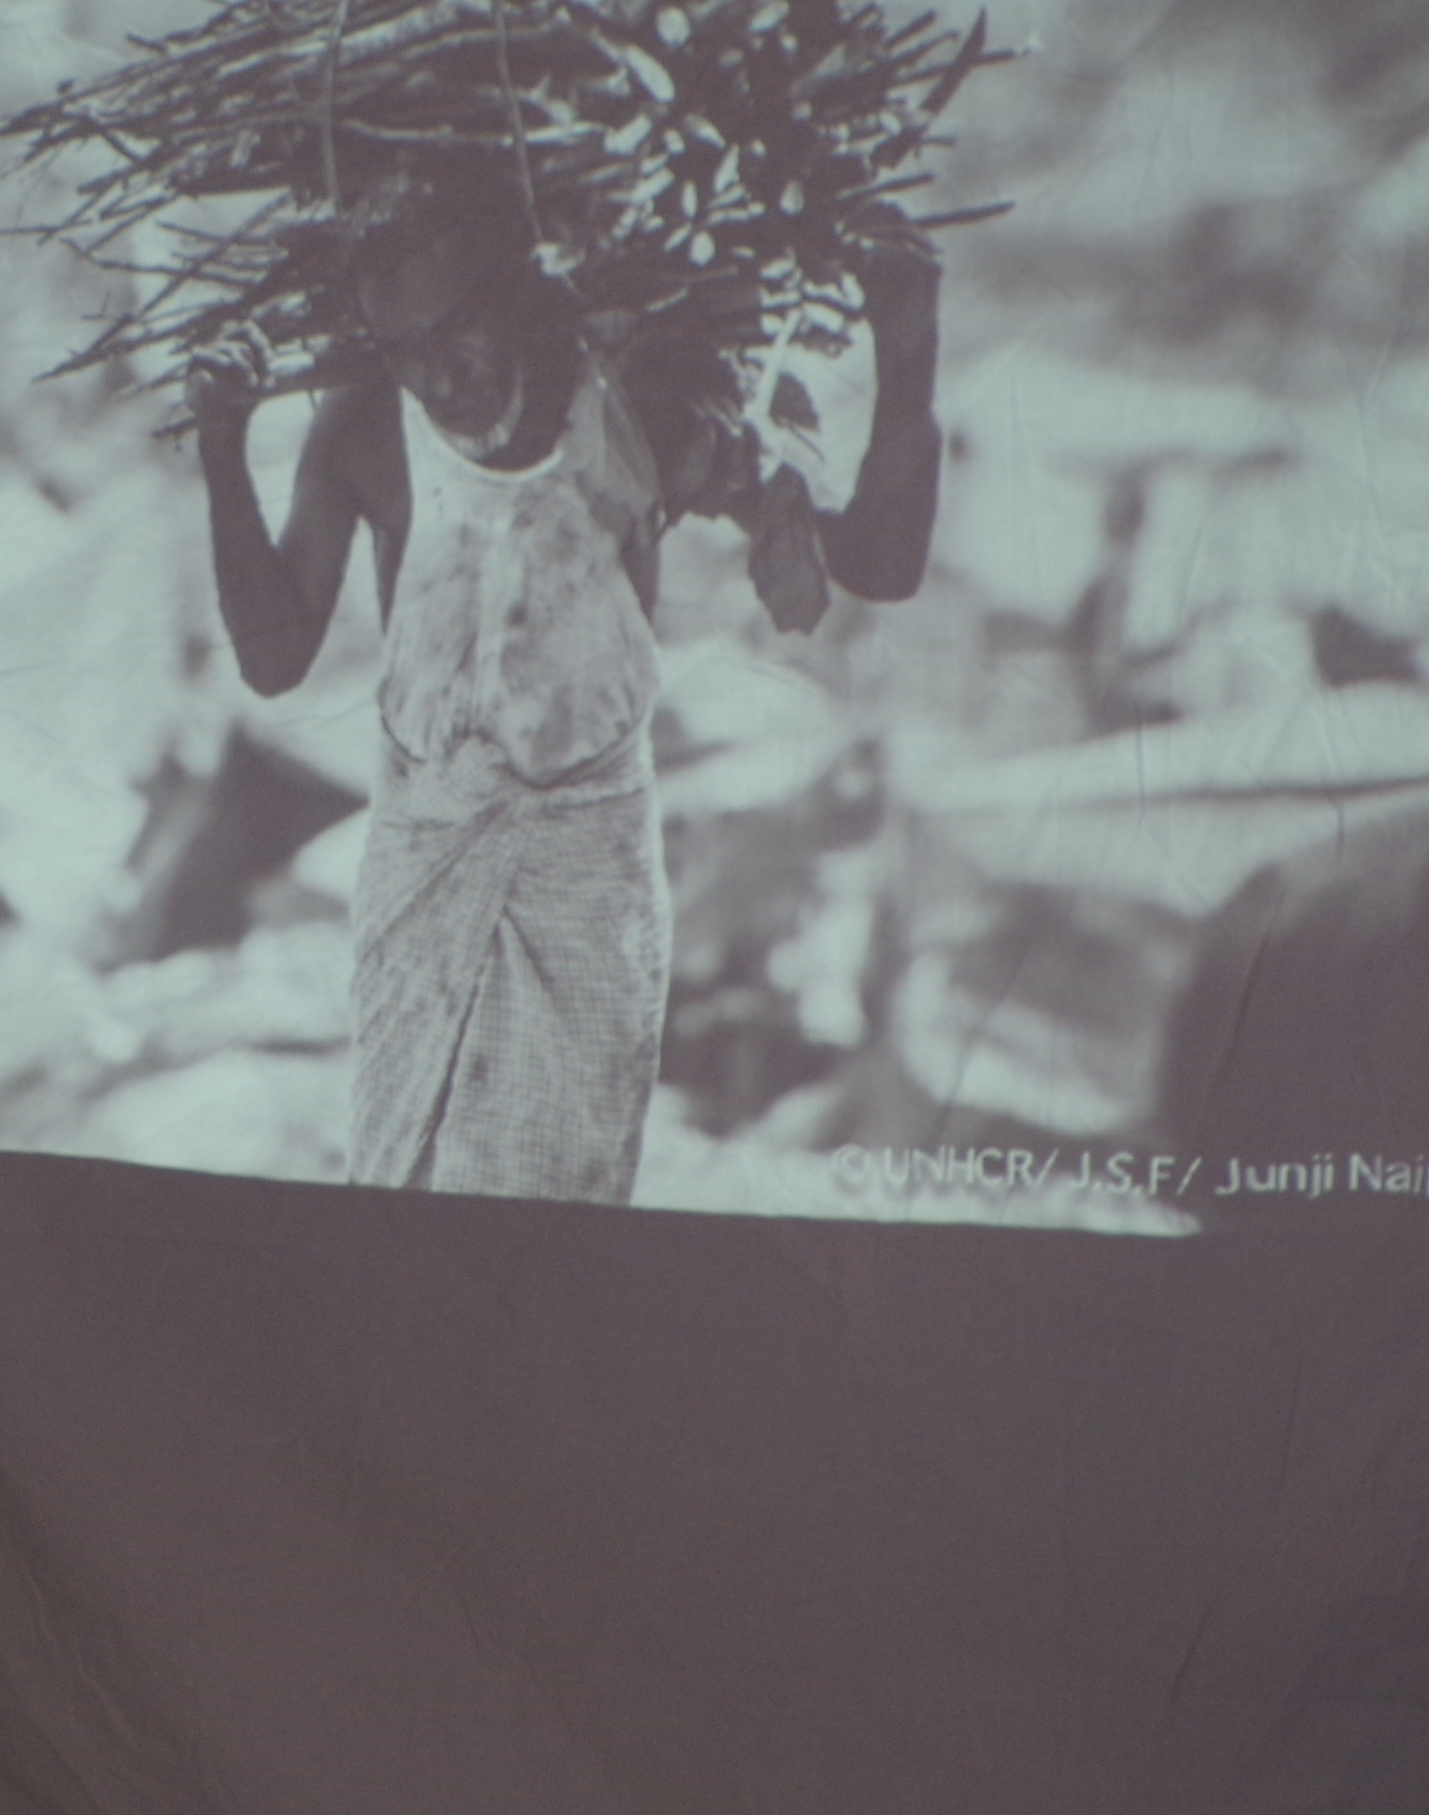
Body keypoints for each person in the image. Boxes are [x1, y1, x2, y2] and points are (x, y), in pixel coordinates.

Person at [188, 192, 941, 1199]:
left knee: (565, 1185)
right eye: (404, 350)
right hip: (425, 854)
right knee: (402, 1177)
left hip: (590, 867)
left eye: (455, 332)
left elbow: (879, 562)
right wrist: (221, 450)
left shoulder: (634, 408)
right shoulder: (367, 430)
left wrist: (908, 344)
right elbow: (274, 659)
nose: (438, 377)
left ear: (517, 293)